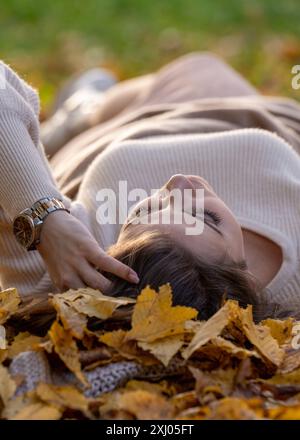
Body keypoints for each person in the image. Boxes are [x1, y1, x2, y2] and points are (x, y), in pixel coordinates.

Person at [1, 52, 300, 321]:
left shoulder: (74, 266)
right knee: (203, 69)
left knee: (186, 75)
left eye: (143, 209)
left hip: (122, 128)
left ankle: (77, 116)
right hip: (273, 118)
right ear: (243, 282)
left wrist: (45, 216)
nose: (178, 182)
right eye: (205, 219)